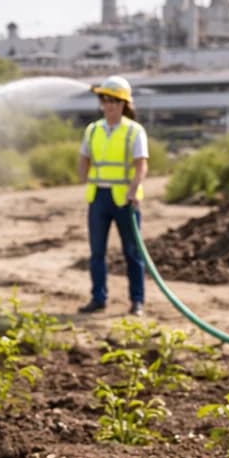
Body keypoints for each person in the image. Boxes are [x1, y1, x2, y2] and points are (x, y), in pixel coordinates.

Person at [76, 75, 149, 316]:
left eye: (114, 102)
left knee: (132, 253)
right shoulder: (93, 130)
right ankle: (98, 298)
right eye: (105, 100)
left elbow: (141, 166)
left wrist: (133, 190)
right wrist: (82, 172)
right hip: (99, 198)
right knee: (97, 253)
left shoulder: (134, 132)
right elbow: (84, 157)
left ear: (124, 105)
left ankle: (137, 301)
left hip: (125, 201)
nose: (109, 106)